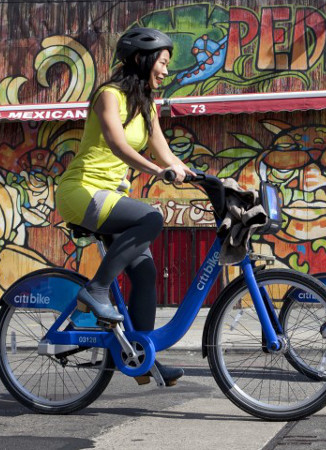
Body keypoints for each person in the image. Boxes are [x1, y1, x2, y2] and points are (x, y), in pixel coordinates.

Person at [55, 27, 194, 384]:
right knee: (150, 217)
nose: (165, 70)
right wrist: (157, 171)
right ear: (140, 59)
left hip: (109, 198)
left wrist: (202, 179)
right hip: (82, 191)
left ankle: (140, 354)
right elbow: (118, 146)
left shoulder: (146, 104)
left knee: (145, 275)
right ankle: (96, 290)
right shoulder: (108, 95)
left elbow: (163, 151)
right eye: (162, 62)